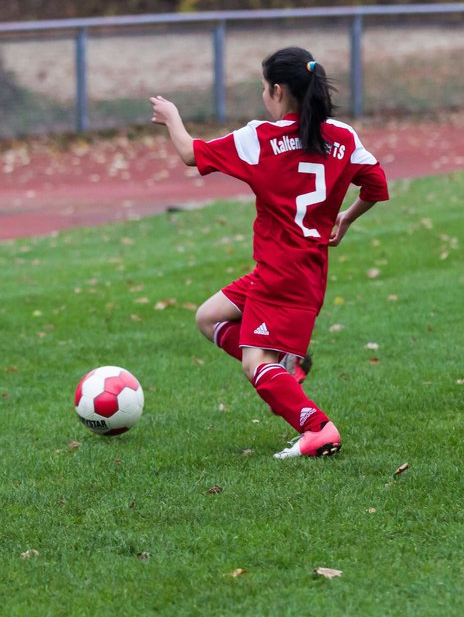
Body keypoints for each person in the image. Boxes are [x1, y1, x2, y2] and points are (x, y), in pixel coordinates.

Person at [148, 47, 389, 459]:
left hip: (281, 273)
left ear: (278, 91)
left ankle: (317, 428)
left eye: (264, 88)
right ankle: (286, 372)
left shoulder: (260, 138)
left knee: (253, 361)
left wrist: (172, 116)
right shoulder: (343, 137)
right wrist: (345, 218)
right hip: (304, 270)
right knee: (208, 317)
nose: (264, 96)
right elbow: (377, 187)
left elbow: (190, 154)